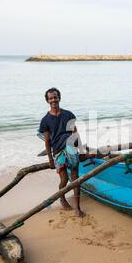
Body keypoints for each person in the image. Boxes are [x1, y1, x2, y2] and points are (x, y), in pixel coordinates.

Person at [39, 87, 85, 217]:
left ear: (59, 98)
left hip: (71, 149)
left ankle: (77, 208)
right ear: (47, 101)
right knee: (64, 179)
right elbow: (47, 142)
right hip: (58, 152)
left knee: (76, 179)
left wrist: (81, 151)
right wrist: (50, 160)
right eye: (51, 98)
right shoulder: (45, 120)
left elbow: (75, 133)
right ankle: (62, 198)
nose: (53, 100)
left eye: (55, 97)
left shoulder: (68, 114)